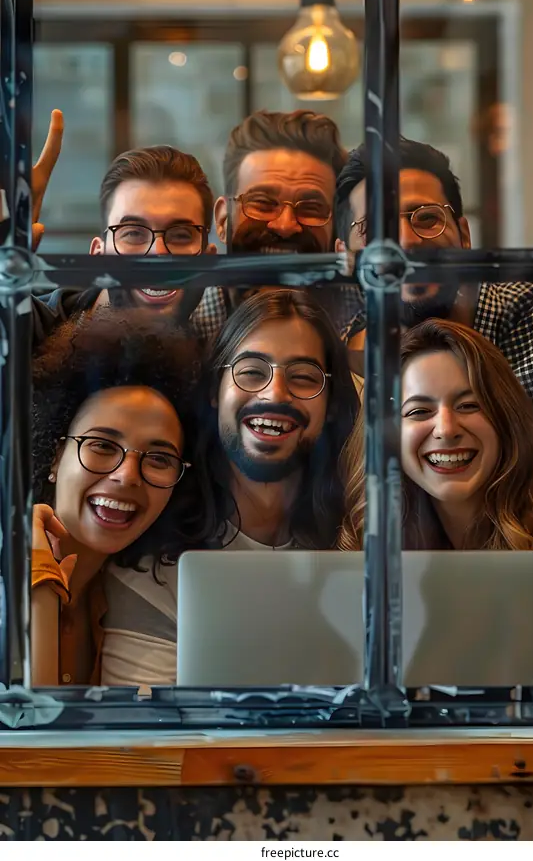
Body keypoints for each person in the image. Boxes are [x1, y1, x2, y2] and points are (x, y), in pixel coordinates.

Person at [101, 288, 361, 685]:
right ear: (213, 391)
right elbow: (141, 738)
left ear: (331, 409)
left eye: (304, 377)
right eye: (251, 371)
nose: (274, 394)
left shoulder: (362, 542)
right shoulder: (156, 561)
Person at [334, 136, 533, 473]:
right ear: (345, 257)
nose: (406, 240)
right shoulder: (336, 365)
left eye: (427, 218)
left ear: (464, 235)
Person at [398, 319, 533, 685]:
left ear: (505, 417)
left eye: (469, 404)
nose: (445, 428)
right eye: (419, 412)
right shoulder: (393, 531)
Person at [31, 312, 215, 687]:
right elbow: (26, 734)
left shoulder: (122, 598)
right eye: (101, 445)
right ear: (55, 457)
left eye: (160, 458)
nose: (127, 475)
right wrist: (38, 585)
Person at [193, 109, 360, 341]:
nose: (285, 225)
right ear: (222, 221)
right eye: (262, 203)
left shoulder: (369, 322)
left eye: (311, 208)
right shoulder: (187, 328)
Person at [33, 144, 216, 345]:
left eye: (181, 236)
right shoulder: (27, 332)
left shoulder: (222, 353)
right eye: (133, 233)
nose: (159, 255)